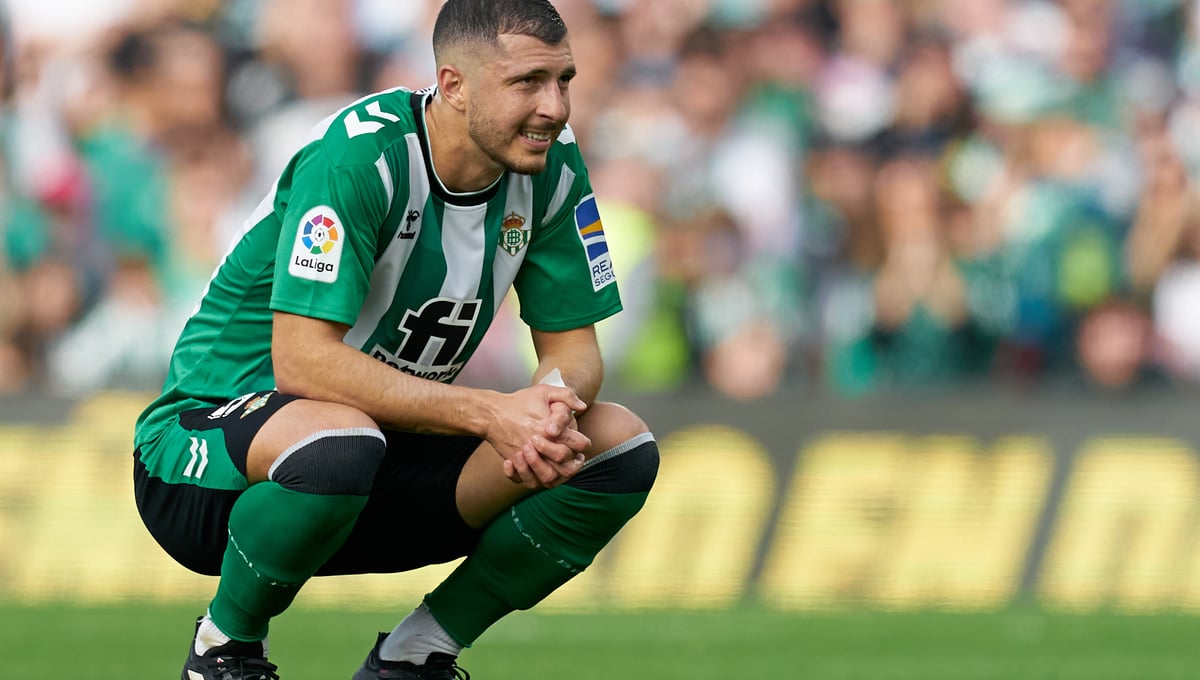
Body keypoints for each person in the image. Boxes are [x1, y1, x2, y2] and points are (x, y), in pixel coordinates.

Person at [131, 2, 660, 678]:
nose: (554, 107)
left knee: (616, 446)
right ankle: (224, 649)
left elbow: (575, 348)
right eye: (527, 82)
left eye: (564, 80)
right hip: (206, 459)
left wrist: (549, 407)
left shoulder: (552, 165)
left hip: (377, 453)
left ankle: (413, 657)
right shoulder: (362, 155)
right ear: (454, 85)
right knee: (338, 443)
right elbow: (302, 362)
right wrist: (490, 413)